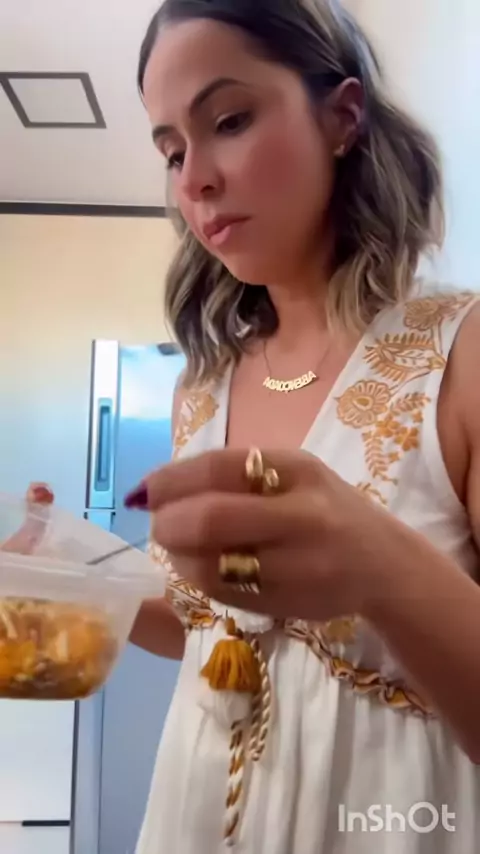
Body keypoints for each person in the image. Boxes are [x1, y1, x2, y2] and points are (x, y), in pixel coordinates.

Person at [124, 1, 480, 851]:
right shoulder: (200, 387)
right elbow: (208, 623)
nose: (193, 180)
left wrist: (379, 566)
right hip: (195, 810)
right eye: (172, 150)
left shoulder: (460, 352)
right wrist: (70, 579)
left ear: (342, 117)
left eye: (229, 121)